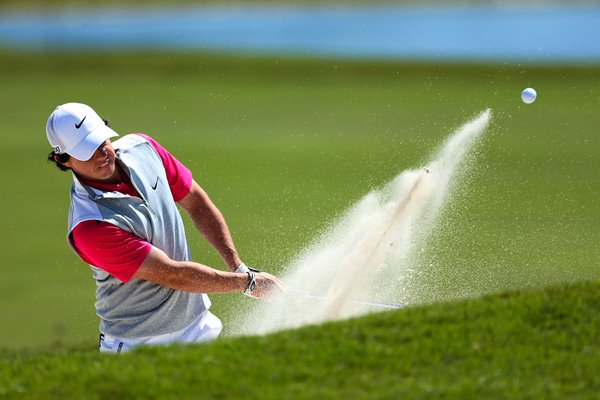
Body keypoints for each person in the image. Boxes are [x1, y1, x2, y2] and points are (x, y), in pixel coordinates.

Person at [46, 102, 285, 353]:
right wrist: (248, 283)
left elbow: (196, 202)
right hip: (138, 346)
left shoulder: (143, 149)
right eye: (87, 150)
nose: (101, 153)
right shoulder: (91, 225)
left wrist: (238, 267)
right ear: (65, 161)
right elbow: (172, 274)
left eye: (101, 140)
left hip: (198, 326)